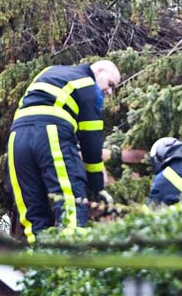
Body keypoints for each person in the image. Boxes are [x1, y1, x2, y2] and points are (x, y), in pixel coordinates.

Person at [7, 59, 121, 244]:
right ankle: (71, 266)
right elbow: (91, 142)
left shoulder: (49, 71)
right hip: (49, 133)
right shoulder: (87, 84)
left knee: (32, 212)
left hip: (16, 139)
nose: (109, 92)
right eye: (110, 84)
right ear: (99, 71)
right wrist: (97, 186)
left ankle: (38, 267)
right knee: (71, 204)